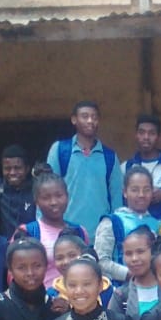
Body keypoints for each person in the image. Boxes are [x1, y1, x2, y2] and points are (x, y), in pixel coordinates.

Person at [45, 100, 121, 240]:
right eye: (85, 116)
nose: (90, 121)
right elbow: (46, 191)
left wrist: (116, 231)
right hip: (66, 235)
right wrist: (43, 229)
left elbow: (117, 200)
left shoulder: (110, 156)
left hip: (100, 237)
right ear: (74, 119)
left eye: (94, 117)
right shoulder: (60, 150)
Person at [94, 165, 161, 284]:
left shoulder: (158, 225)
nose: (141, 195)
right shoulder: (112, 222)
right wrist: (133, 275)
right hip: (121, 291)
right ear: (125, 192)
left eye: (146, 190)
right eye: (135, 190)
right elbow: (100, 261)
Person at [22, 168, 88, 289]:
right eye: (46, 198)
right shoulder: (28, 232)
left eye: (59, 196)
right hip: (41, 302)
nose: (54, 202)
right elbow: (15, 274)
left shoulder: (79, 232)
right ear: (36, 201)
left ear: (67, 197)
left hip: (78, 300)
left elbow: (89, 267)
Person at [0, 144, 35, 237]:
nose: (12, 172)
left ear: (27, 169)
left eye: (17, 168)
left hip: (33, 246)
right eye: (7, 168)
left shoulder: (37, 191)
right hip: (6, 247)